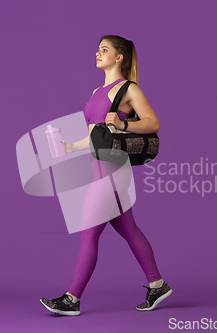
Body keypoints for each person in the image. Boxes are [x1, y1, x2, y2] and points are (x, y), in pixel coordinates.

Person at [40, 35, 172, 316]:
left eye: (104, 50)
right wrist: (70, 146)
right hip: (98, 169)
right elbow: (95, 136)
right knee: (128, 229)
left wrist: (125, 122)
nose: (97, 53)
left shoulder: (128, 89)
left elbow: (153, 123)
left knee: (88, 234)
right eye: (98, 49)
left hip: (112, 172)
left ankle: (72, 299)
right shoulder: (96, 91)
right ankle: (157, 284)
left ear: (119, 57)